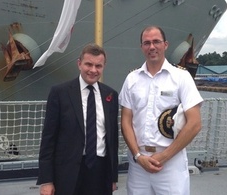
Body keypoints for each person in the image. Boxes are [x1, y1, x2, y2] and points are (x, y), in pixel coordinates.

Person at [119, 26, 203, 195]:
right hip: (139, 164)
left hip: (171, 164)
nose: (152, 47)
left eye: (156, 41)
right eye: (147, 43)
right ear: (142, 47)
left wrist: (164, 156)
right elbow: (126, 121)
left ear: (165, 45)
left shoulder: (181, 77)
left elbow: (195, 123)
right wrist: (137, 156)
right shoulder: (132, 79)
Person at [37, 43, 119, 195]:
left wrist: (113, 177)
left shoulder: (111, 95)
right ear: (79, 63)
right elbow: (49, 139)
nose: (93, 70)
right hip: (67, 173)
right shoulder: (60, 93)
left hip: (100, 172)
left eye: (98, 66)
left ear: (103, 66)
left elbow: (112, 140)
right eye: (88, 64)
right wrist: (46, 180)